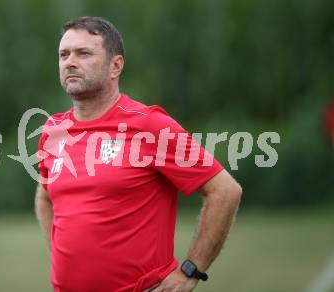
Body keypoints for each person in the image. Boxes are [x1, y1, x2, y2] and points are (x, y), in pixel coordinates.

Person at [35, 16, 242, 292]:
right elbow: (45, 195)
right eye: (64, 54)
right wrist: (66, 254)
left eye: (83, 53)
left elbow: (225, 191)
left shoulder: (148, 125)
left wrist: (191, 270)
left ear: (115, 66)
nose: (70, 62)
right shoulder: (53, 130)